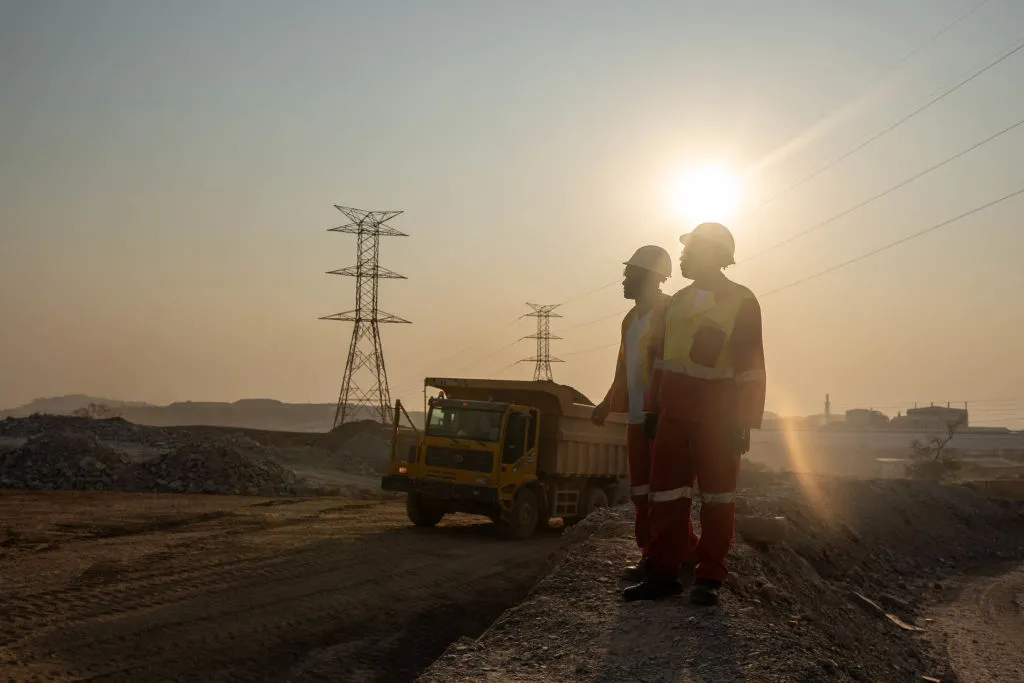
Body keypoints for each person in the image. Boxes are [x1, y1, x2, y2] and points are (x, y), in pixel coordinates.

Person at [623, 222, 766, 605]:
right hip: (674, 413)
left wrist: (744, 420)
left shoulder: (741, 301)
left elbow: (751, 365)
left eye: (689, 250)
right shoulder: (678, 303)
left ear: (713, 254)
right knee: (667, 494)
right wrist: (654, 409)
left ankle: (709, 577)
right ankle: (664, 573)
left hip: (718, 418)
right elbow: (662, 361)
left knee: (718, 497)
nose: (682, 256)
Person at [591, 245, 677, 581]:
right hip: (637, 417)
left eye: (629, 274)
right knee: (641, 489)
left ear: (649, 277)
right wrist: (607, 401)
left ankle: (668, 554)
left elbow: (672, 366)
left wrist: (667, 409)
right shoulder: (630, 319)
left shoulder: (671, 312)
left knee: (665, 489)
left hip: (662, 415)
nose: (623, 280)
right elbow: (624, 368)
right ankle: (650, 554)